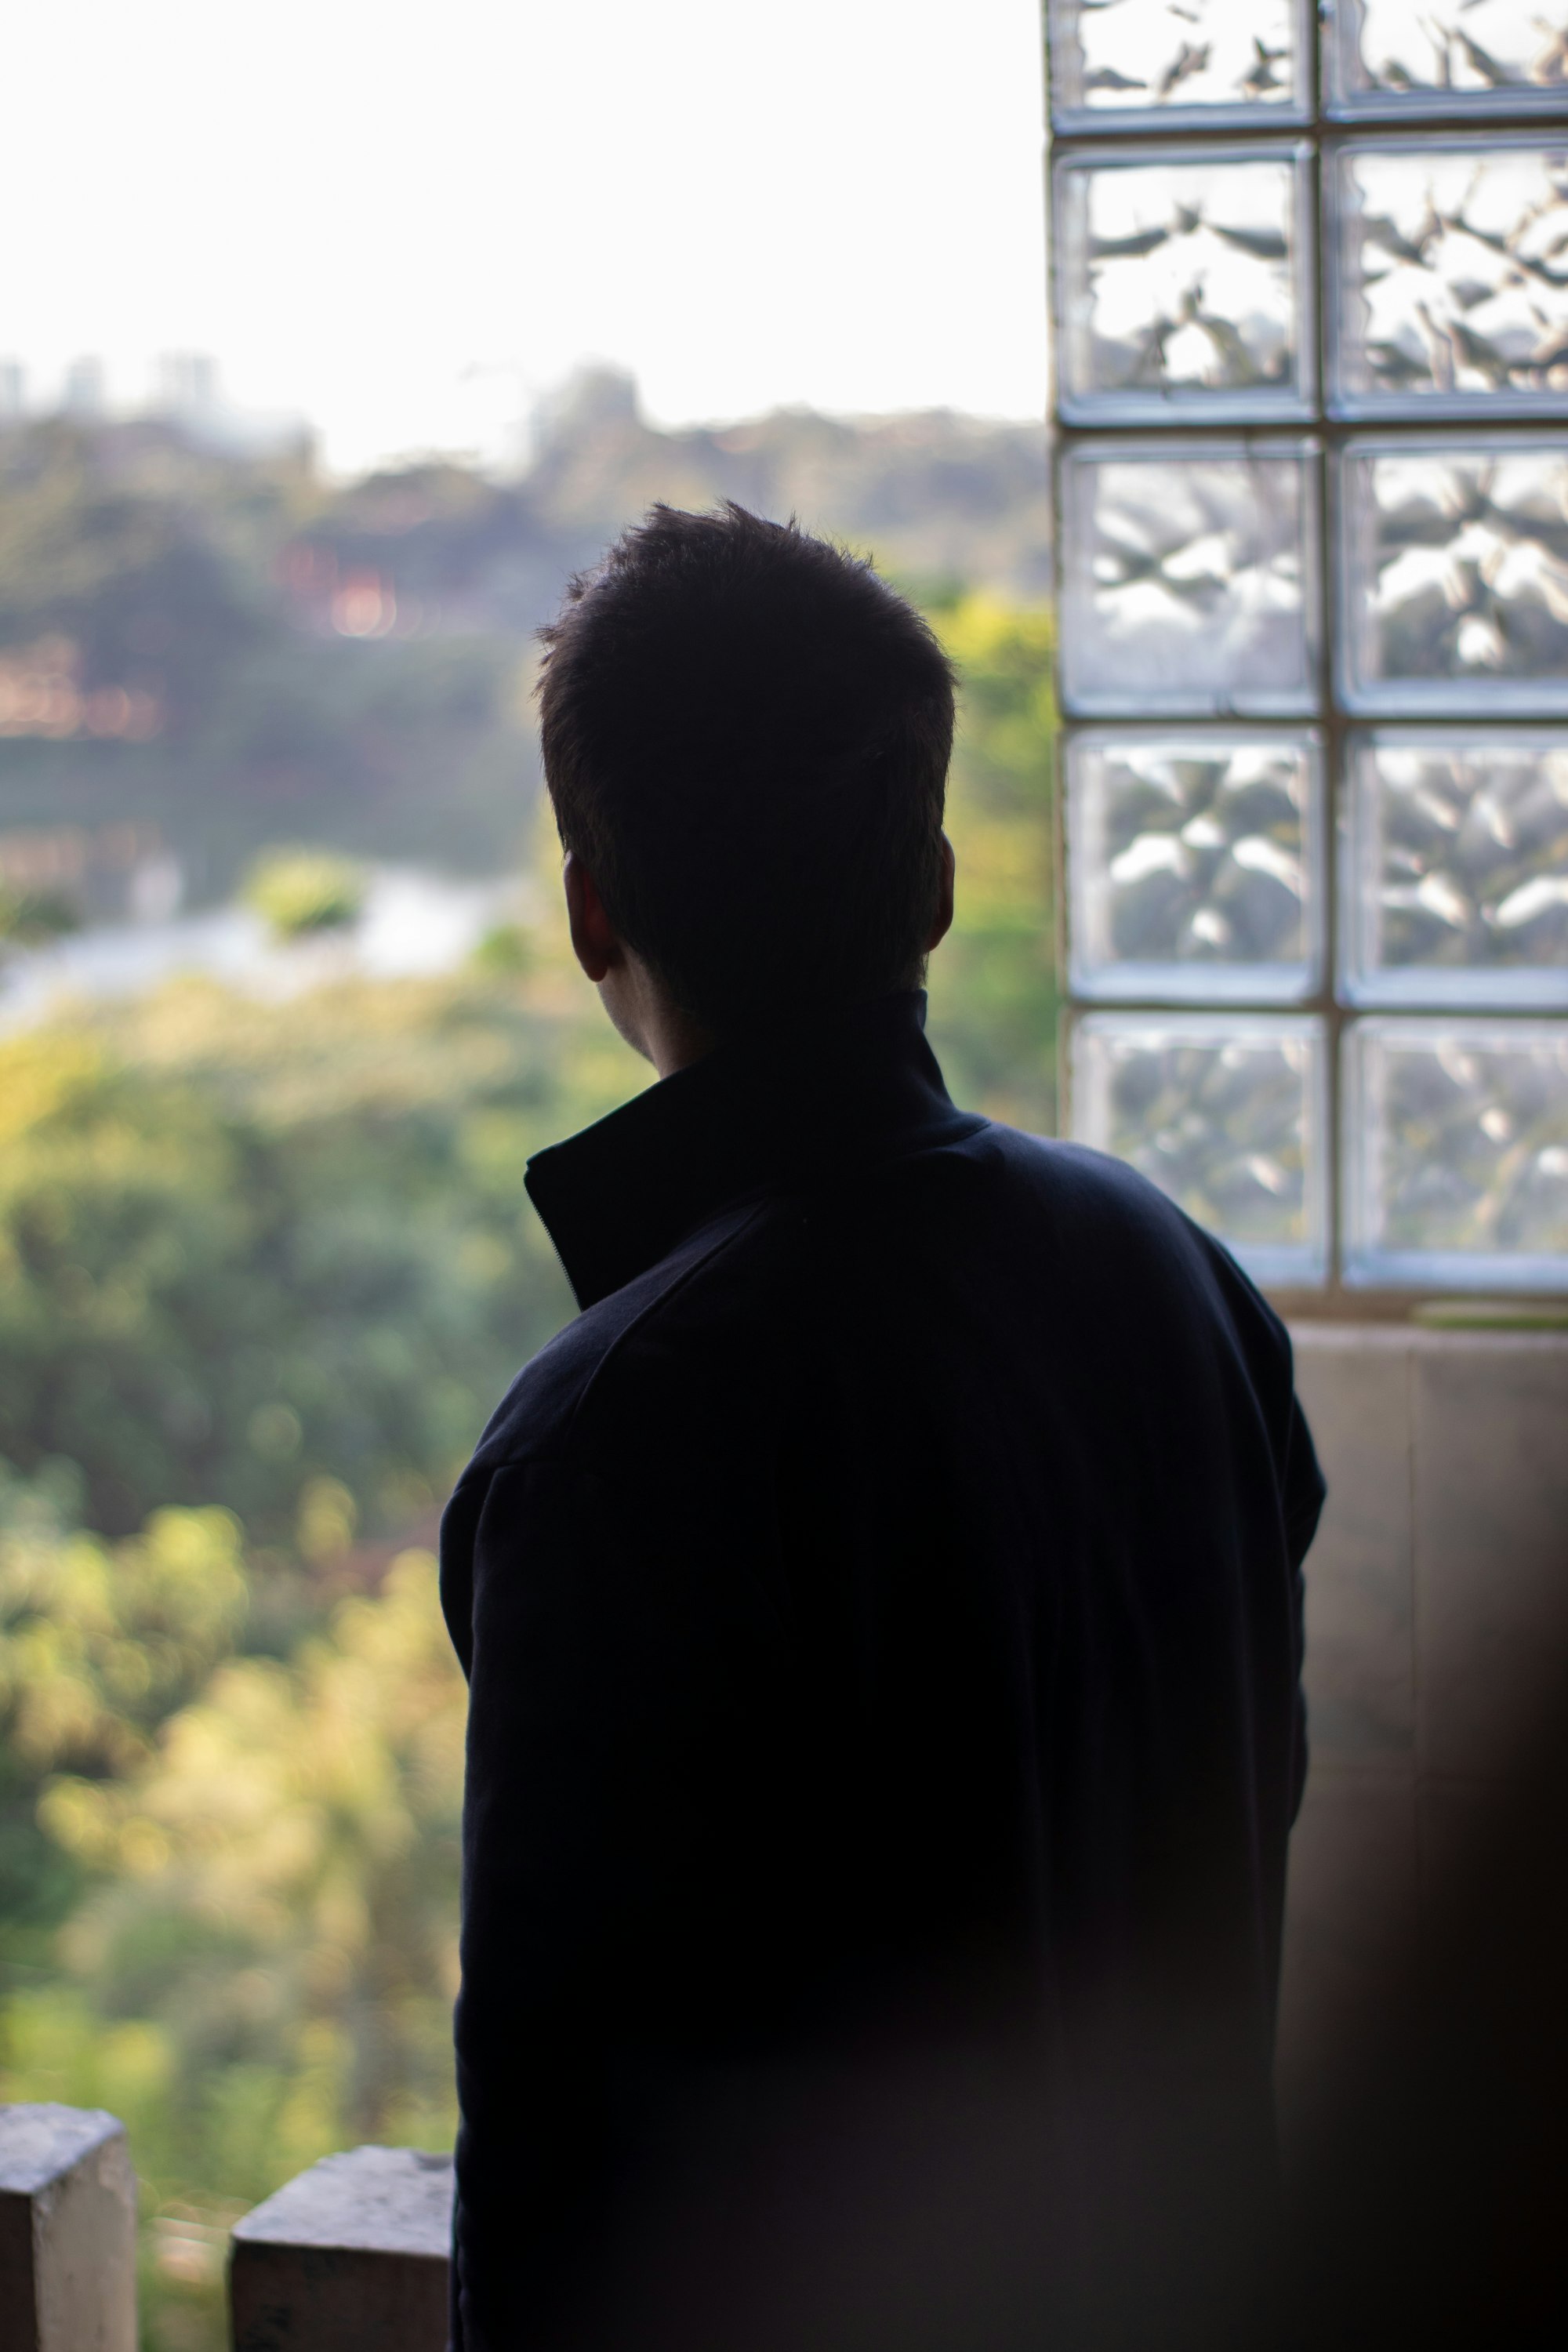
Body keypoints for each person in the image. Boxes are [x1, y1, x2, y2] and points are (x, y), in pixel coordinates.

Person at [440, 503, 1324, 2352]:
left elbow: (570, 2201)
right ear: (929, 887)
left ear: (593, 907)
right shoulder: (1178, 1286)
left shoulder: (610, 1443)